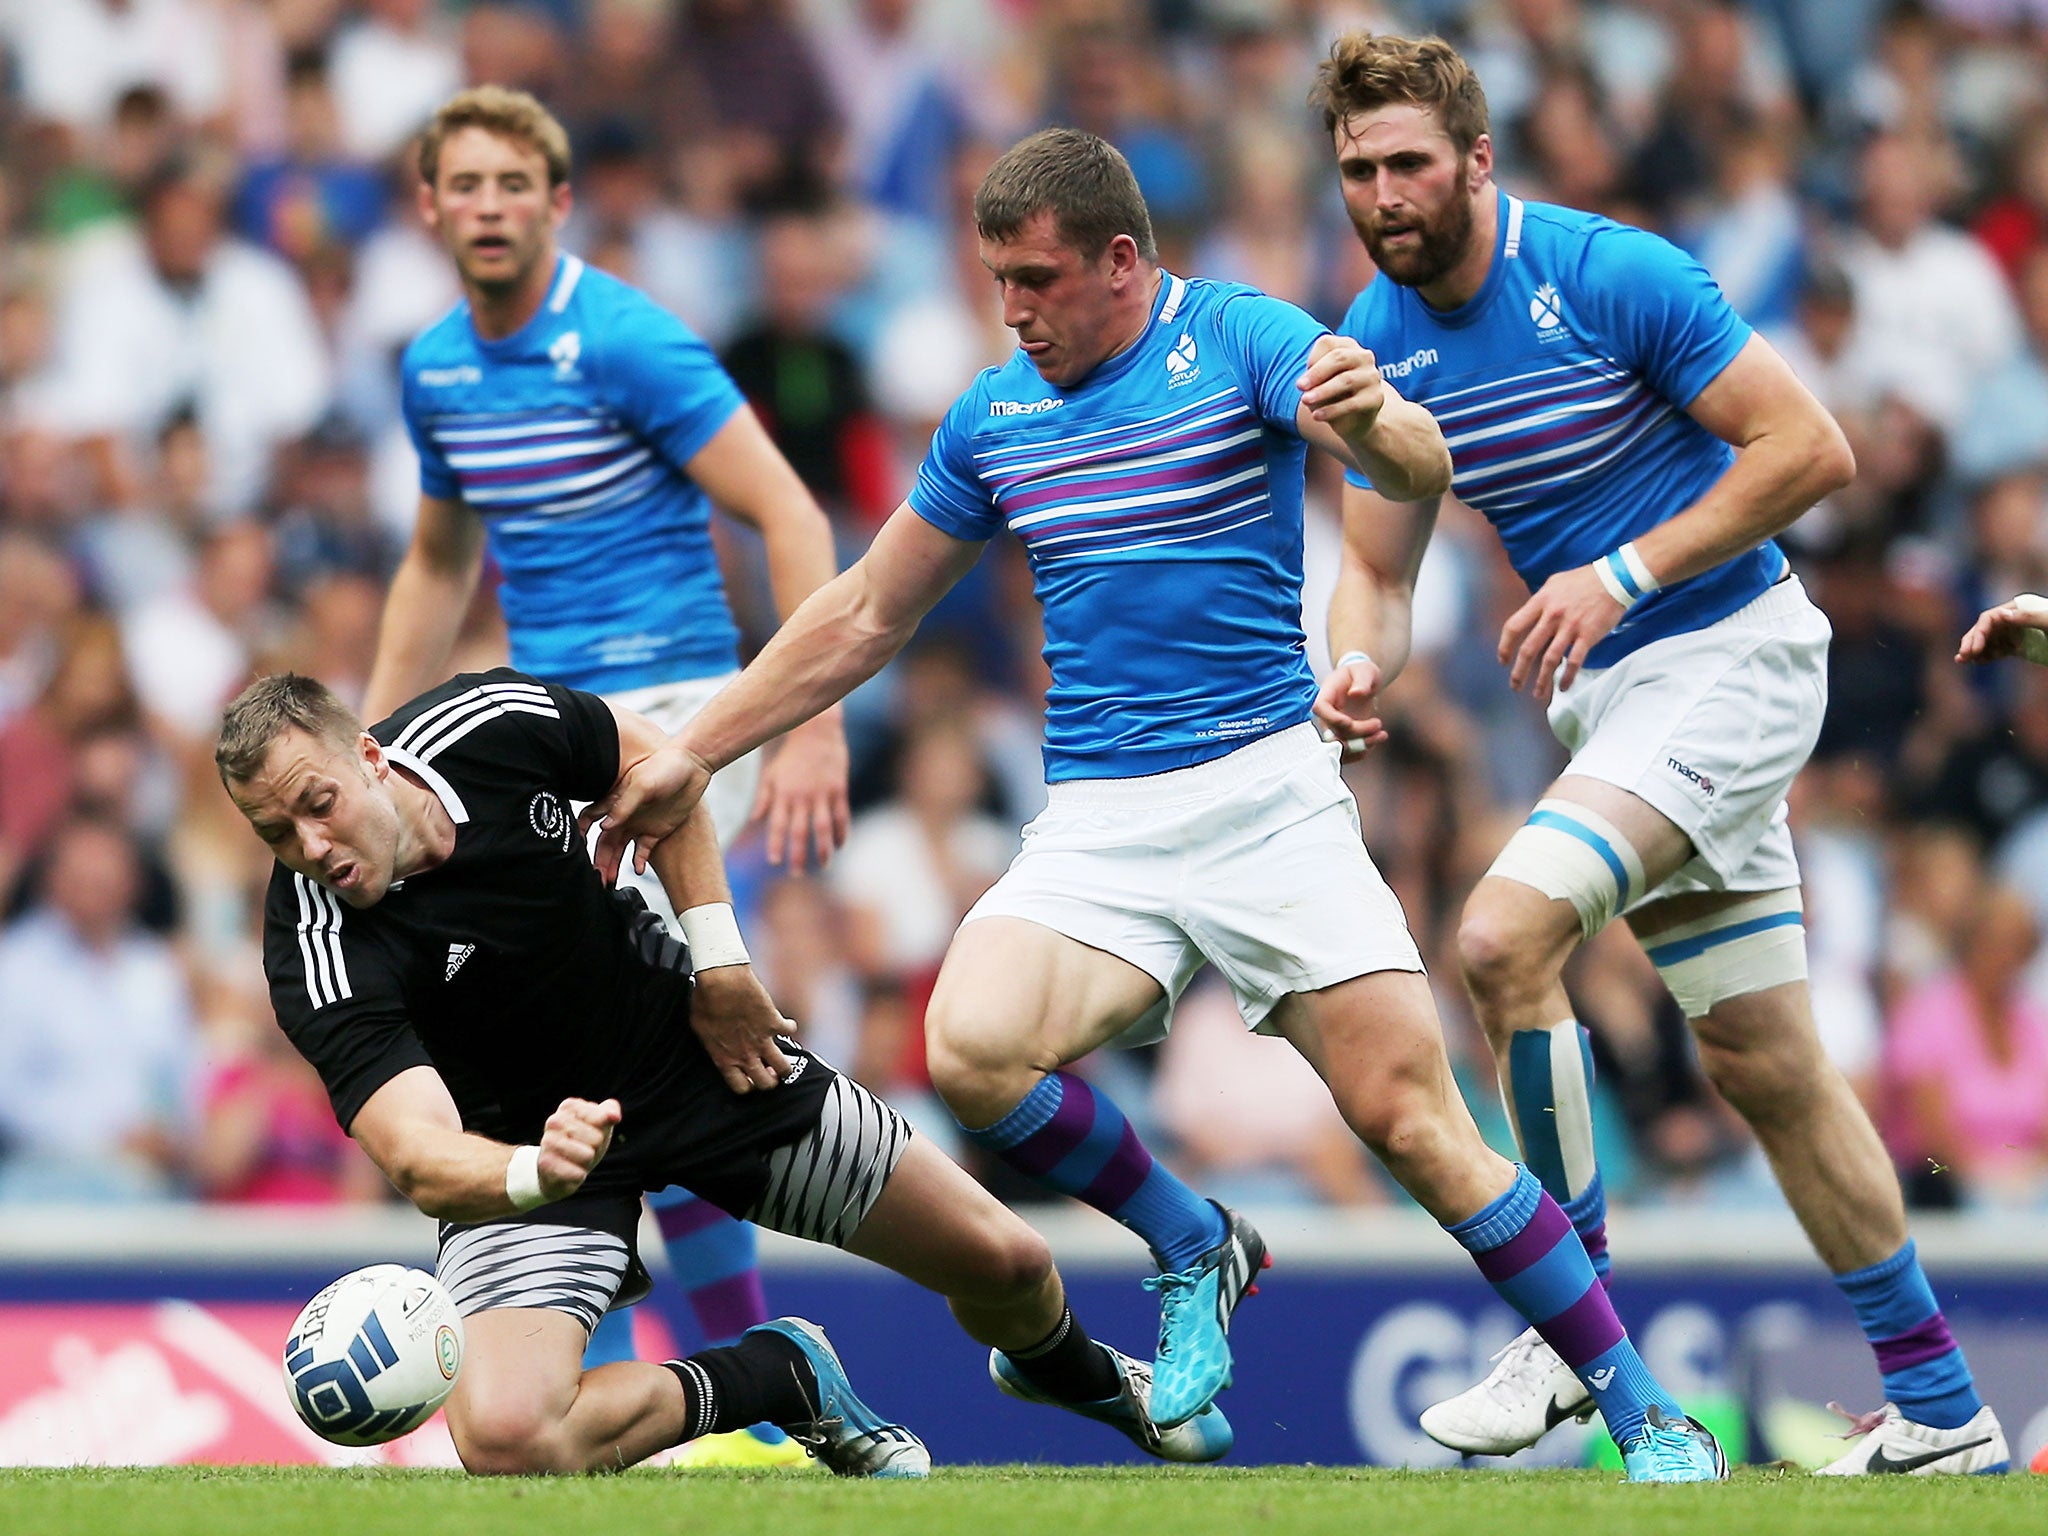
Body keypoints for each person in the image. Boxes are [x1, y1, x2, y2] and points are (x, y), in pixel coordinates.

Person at [584, 127, 1725, 1481]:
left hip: (1265, 796)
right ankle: (1194, 1237)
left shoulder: (1238, 336)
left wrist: (1382, 428)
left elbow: (1414, 466)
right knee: (972, 1051)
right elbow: (866, 611)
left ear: (1123, 263)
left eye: (1037, 279)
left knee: (1415, 1121)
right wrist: (696, 746)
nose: (1012, 308)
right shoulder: (994, 416)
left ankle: (1648, 1413)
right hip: (1104, 818)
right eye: (996, 279)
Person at [1312, 31, 2005, 1476]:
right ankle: (1945, 1407)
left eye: (1408, 164)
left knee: (1500, 938)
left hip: (1732, 661)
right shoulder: (1375, 343)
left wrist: (1618, 574)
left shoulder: (1608, 272)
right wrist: (1356, 657)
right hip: (1622, 707)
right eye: (1359, 169)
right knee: (1768, 1066)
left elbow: (1812, 448)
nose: (1382, 193)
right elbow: (1378, 563)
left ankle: (1575, 1329)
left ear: (1477, 162)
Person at [217, 668, 1232, 1475]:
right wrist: (535, 1172)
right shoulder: (313, 938)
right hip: (525, 1158)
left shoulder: (490, 725)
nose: (311, 846)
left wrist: (722, 963)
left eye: (317, 805)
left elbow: (660, 769)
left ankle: (1089, 1378)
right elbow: (420, 1154)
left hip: (697, 1059)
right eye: (276, 834)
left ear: (366, 756)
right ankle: (780, 1376)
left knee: (1006, 1266)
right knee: (509, 1441)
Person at [364, 86, 851, 1465]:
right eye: (466, 184)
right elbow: (439, 563)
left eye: (516, 182)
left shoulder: (628, 338)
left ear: (557, 203)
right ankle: (749, 1377)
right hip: (552, 736)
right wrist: (381, 746)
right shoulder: (437, 371)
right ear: (432, 208)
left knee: (610, 1007)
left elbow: (788, 510)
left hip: (684, 714)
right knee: (625, 1039)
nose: (492, 205)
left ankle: (737, 1386)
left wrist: (808, 725)